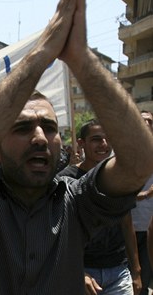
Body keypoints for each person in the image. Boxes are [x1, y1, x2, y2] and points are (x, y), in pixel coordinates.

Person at [0, 0, 153, 293]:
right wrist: (41, 55)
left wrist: (80, 59)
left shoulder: (76, 201)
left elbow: (139, 162)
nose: (39, 137)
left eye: (50, 127)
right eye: (22, 127)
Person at [58, 120, 141, 295]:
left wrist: (136, 271)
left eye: (107, 139)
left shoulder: (119, 178)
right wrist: (78, 271)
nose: (103, 144)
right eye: (96, 139)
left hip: (118, 271)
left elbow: (127, 224)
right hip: (83, 274)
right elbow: (58, 232)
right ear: (81, 143)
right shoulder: (65, 180)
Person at [131, 110, 153, 295]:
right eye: (142, 120)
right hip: (127, 226)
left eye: (150, 121)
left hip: (149, 226)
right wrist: (145, 194)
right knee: (132, 276)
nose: (146, 124)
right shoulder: (124, 150)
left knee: (144, 278)